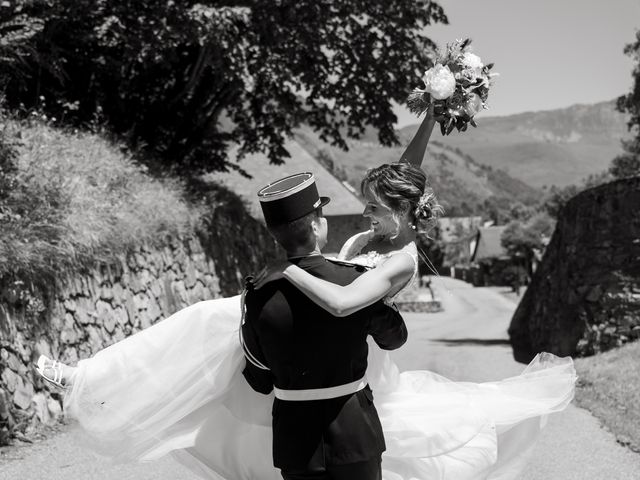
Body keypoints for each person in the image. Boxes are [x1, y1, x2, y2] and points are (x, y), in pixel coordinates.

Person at [35, 109, 576, 479]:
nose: (364, 214)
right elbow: (406, 171)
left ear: (405, 212)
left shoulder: (400, 260)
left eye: (374, 206)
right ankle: (94, 380)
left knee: (206, 322)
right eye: (365, 204)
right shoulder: (378, 232)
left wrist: (287, 270)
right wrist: (432, 114)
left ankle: (97, 381)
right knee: (202, 336)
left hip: (341, 341)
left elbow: (344, 302)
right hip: (312, 329)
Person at [241, 172, 408, 479]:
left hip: (295, 441)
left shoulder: (256, 294)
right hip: (356, 432)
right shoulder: (355, 279)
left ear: (275, 235)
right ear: (316, 225)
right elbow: (395, 337)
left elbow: (260, 378)